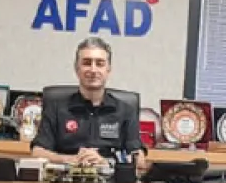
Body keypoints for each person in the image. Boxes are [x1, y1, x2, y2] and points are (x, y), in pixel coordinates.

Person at [30, 37, 146, 166]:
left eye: (100, 64)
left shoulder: (126, 111)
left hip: (110, 176)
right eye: (87, 63)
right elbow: (37, 152)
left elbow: (139, 160)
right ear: (77, 69)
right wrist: (70, 159)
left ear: (108, 70)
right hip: (66, 176)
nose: (93, 70)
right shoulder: (56, 108)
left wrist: (105, 162)